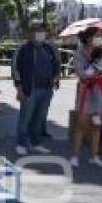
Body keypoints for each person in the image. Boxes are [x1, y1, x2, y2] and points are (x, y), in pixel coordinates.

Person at [11, 22, 60, 155]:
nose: (41, 34)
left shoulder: (49, 48)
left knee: (39, 118)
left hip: (46, 90)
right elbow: (15, 69)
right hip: (29, 90)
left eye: (43, 31)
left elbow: (57, 64)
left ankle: (35, 142)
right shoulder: (22, 49)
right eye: (37, 31)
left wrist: (56, 79)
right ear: (30, 34)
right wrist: (19, 89)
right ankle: (21, 143)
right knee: (25, 118)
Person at [70, 28, 102, 168]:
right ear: (87, 38)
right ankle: (75, 156)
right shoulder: (79, 54)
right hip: (85, 91)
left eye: (100, 36)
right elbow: (82, 74)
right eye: (96, 36)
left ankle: (94, 156)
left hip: (99, 91)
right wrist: (96, 69)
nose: (99, 38)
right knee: (81, 125)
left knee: (97, 125)